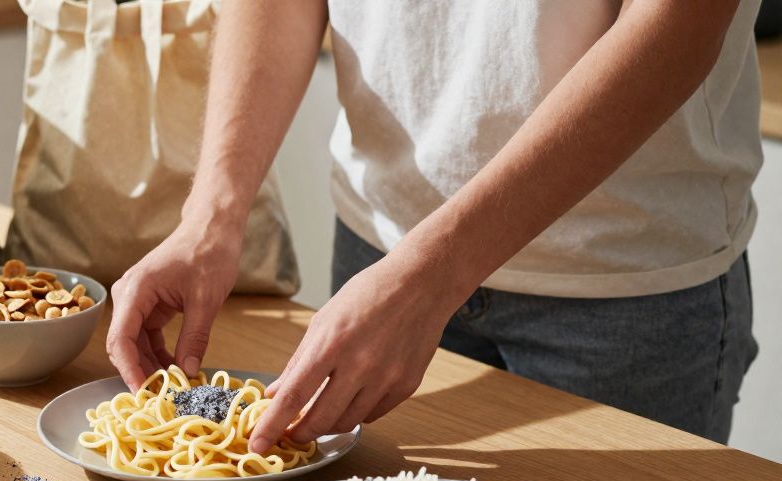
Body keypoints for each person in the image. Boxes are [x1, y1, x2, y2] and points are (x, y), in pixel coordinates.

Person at [106, 0, 762, 451]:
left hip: (621, 288)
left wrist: (436, 271)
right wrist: (212, 211)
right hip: (377, 257)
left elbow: (679, 21)